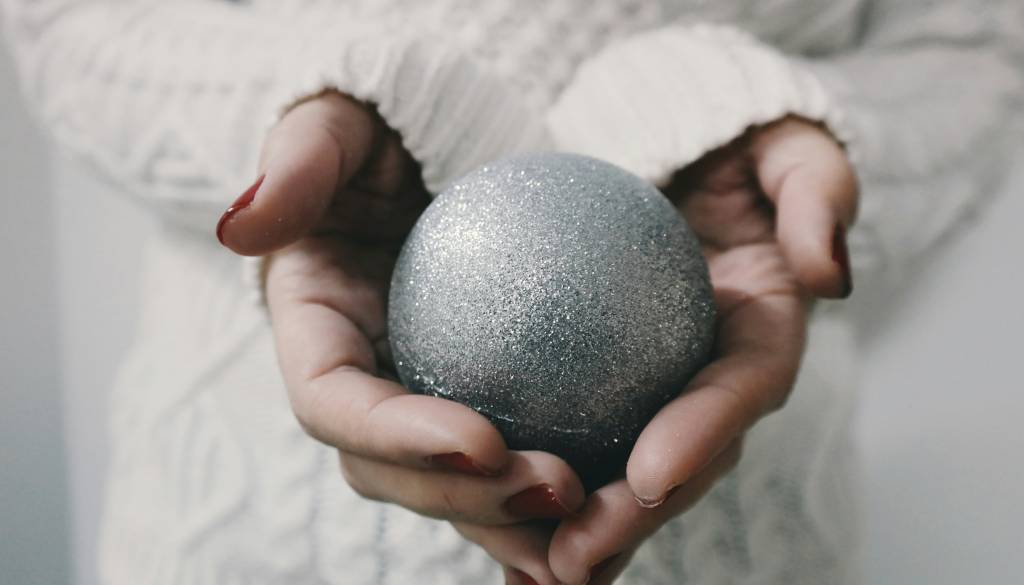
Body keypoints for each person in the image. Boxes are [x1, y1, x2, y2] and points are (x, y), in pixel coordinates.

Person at [3, 1, 1021, 584]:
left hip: (745, 524)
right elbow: (68, 22)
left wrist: (733, 111)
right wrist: (323, 106)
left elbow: (973, 47)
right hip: (244, 522)